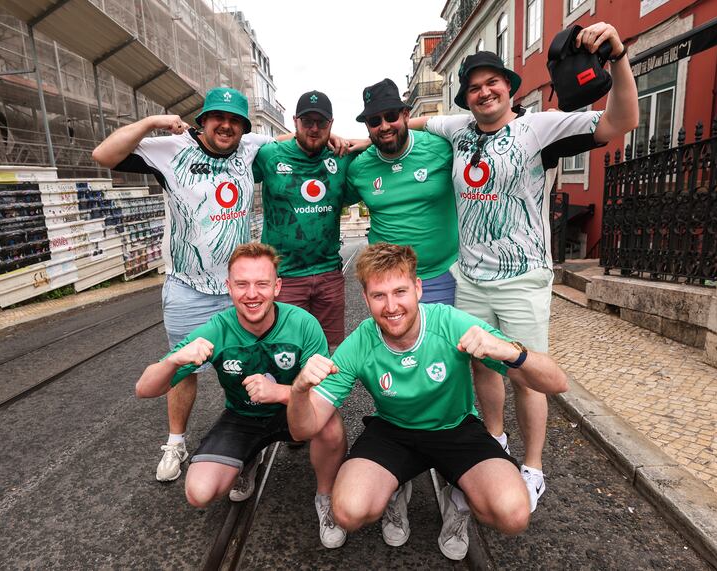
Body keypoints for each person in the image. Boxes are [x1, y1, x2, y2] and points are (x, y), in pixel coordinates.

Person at [410, 23, 639, 512]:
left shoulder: (540, 127)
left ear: (510, 87)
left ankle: (533, 467)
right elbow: (415, 125)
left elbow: (620, 122)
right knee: (482, 363)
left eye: (492, 82)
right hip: (470, 278)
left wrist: (618, 58)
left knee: (526, 374)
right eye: (473, 87)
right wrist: (359, 137)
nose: (483, 91)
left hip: (523, 279)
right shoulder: (458, 129)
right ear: (466, 99)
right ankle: (495, 439)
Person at [287, 243, 568, 560]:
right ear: (365, 298)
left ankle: (458, 497)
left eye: (400, 291)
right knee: (348, 512)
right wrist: (299, 390)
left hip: (457, 428)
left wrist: (512, 352)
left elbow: (558, 383)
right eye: (379, 295)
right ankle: (394, 485)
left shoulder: (450, 323)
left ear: (418, 288)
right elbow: (302, 429)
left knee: (513, 515)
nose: (392, 306)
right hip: (393, 431)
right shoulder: (360, 342)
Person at [93, 87, 276, 482]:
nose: (227, 126)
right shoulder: (170, 149)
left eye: (235, 121)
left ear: (244, 127)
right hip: (186, 287)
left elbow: (298, 142)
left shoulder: (251, 148)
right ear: (203, 121)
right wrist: (151, 122)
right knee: (181, 367)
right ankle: (175, 443)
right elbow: (103, 155)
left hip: (236, 291)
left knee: (242, 366)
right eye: (218, 118)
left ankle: (245, 446)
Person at [134, 243, 348, 548]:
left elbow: (323, 396)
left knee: (330, 426)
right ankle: (246, 459)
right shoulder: (216, 329)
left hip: (292, 411)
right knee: (199, 492)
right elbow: (144, 389)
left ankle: (325, 497)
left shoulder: (303, 324)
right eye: (242, 284)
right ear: (229, 287)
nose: (252, 294)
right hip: (243, 417)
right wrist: (174, 361)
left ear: (277, 286)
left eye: (262, 284)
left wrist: (279, 391)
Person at [253, 90, 360, 348]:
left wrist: (345, 140)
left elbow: (380, 140)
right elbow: (235, 152)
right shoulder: (270, 155)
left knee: (328, 352)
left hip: (328, 276)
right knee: (285, 353)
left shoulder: (341, 157)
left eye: (321, 123)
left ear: (331, 124)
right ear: (295, 122)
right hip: (284, 276)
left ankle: (321, 390)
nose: (314, 128)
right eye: (307, 122)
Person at [346, 78, 459, 305]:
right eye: (375, 121)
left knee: (446, 340)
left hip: (443, 274)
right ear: (367, 127)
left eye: (391, 116)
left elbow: (474, 126)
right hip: (388, 281)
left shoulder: (441, 147)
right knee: (396, 342)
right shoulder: (358, 168)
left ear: (406, 115)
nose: (384, 125)